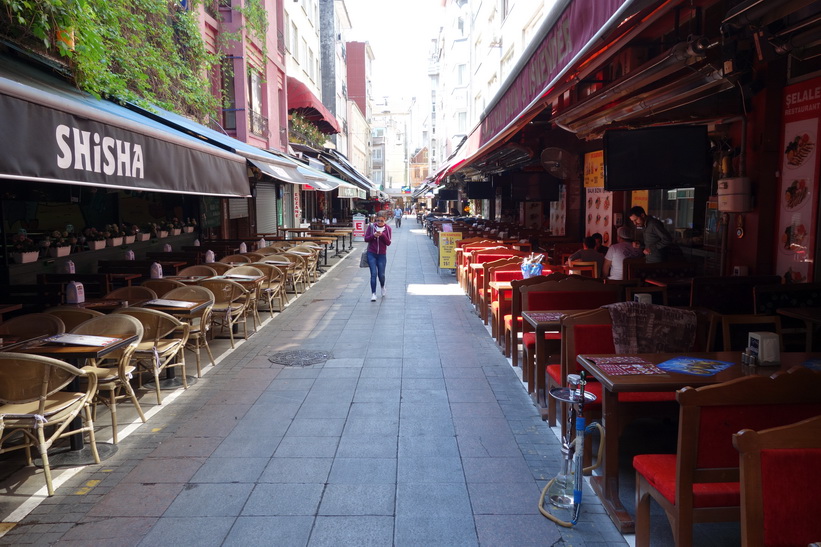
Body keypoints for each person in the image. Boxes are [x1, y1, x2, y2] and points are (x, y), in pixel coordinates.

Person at [364, 214, 392, 301]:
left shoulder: (388, 229)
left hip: (382, 254)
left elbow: (388, 243)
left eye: (381, 221)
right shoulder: (371, 227)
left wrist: (382, 235)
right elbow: (366, 239)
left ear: (385, 220)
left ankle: (383, 286)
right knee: (373, 274)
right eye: (377, 220)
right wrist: (373, 236)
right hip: (371, 253)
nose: (379, 222)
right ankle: (373, 294)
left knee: (381, 274)